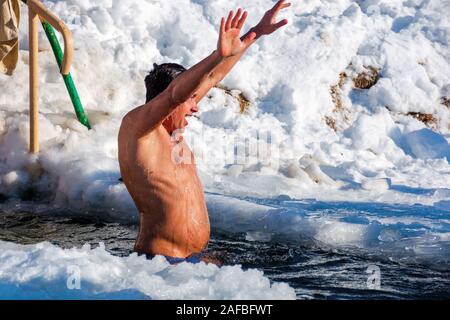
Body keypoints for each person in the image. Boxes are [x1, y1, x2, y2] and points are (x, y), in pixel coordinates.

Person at [118, 1, 291, 264]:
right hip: (159, 263)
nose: (196, 107)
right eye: (191, 100)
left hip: (194, 259)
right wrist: (216, 56)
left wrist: (254, 33)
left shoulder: (174, 135)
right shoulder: (139, 130)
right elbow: (176, 94)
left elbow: (210, 79)